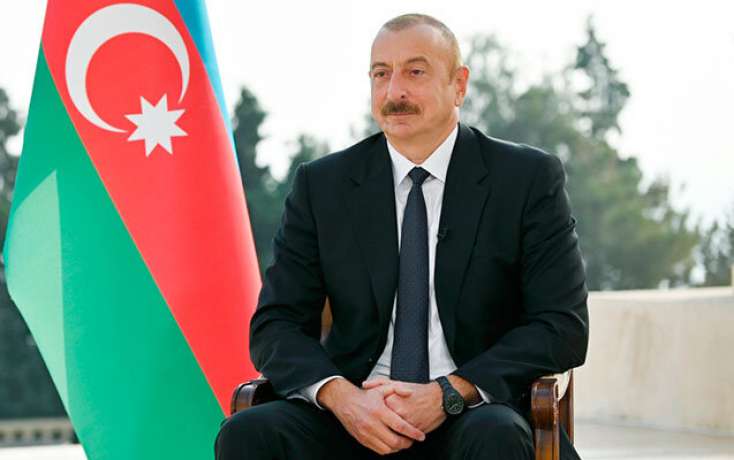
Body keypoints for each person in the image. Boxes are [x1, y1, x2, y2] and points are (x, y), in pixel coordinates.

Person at [216, 13, 588, 460]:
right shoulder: (323, 186)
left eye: (415, 72)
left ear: (459, 85)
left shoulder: (525, 179)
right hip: (356, 413)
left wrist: (450, 393)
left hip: (473, 411)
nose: (395, 93)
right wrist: (343, 399)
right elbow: (275, 326)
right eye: (381, 74)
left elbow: (562, 326)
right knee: (248, 433)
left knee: (497, 436)